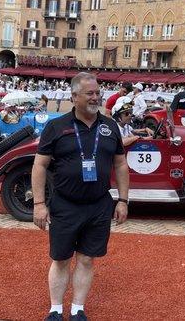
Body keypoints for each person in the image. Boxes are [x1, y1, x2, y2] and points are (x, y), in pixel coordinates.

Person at [31, 72, 129, 321]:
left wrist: (123, 200)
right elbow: (39, 166)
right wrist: (39, 204)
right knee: (61, 259)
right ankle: (55, 309)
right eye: (90, 93)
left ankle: (77, 309)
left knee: (86, 260)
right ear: (74, 97)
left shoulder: (109, 126)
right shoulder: (56, 126)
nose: (96, 97)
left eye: (98, 93)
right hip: (65, 205)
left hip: (98, 206)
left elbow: (120, 165)